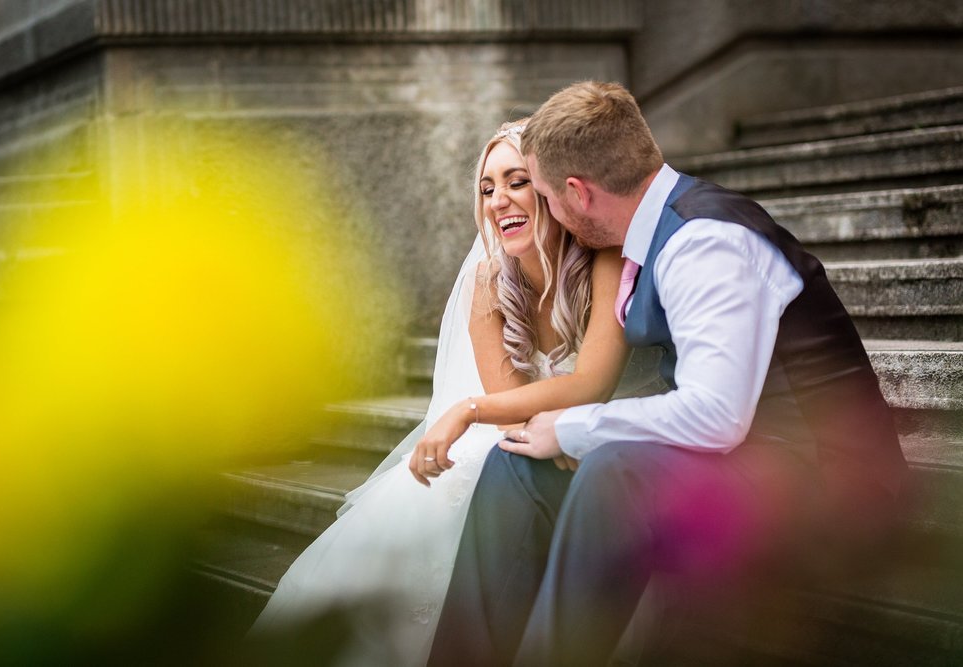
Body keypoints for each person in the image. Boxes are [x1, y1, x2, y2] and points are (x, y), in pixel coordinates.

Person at [428, 82, 909, 667]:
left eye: (547, 198)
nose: (547, 214)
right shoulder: (647, 234)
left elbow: (716, 415)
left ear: (577, 193)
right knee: (519, 461)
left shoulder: (705, 240)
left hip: (826, 479)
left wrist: (576, 427)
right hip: (739, 459)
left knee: (614, 467)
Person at [247, 119, 630, 666]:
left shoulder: (605, 262)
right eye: (487, 187)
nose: (499, 200)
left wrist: (468, 410)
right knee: (435, 502)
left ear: (550, 188)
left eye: (517, 181)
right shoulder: (488, 281)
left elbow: (591, 382)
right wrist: (483, 415)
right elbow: (511, 418)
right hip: (517, 440)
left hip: (592, 447)